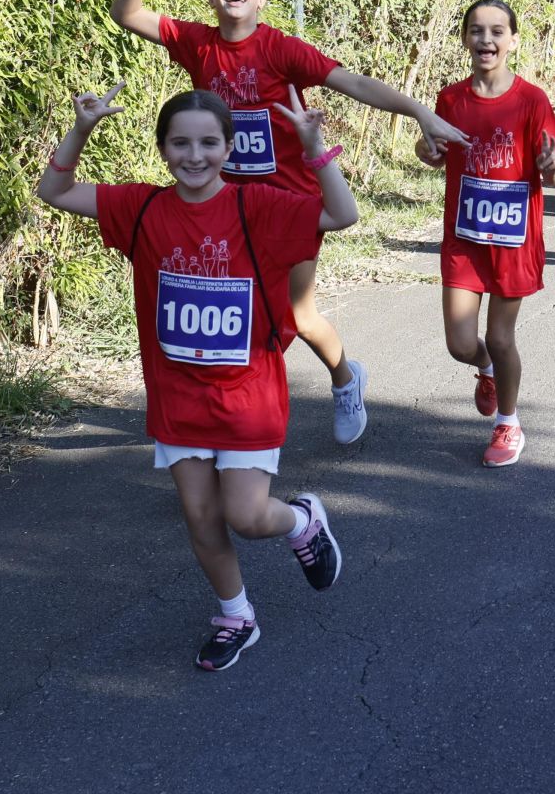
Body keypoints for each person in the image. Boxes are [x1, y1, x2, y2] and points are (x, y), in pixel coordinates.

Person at [113, 0, 472, 445]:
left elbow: (354, 83)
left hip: (289, 202)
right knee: (242, 311)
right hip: (225, 206)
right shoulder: (198, 43)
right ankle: (228, 424)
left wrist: (420, 111)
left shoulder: (281, 49)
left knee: (296, 315)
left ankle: (345, 379)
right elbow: (128, 14)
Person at [37, 83, 354, 672]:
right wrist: (81, 130)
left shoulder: (257, 207)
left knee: (247, 516)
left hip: (247, 394)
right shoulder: (142, 208)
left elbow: (342, 214)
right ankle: (237, 616)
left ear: (230, 148)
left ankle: (303, 520)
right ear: (162, 148)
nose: (194, 155)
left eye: (209, 143)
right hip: (177, 395)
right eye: (180, 143)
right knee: (202, 518)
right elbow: (53, 191)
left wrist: (314, 150)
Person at [416, 0, 555, 468]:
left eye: (497, 31)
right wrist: (426, 150)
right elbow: (434, 153)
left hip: (513, 240)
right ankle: (486, 370)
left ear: (513, 41)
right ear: (465, 39)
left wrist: (551, 167)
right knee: (461, 344)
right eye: (477, 30)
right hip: (465, 237)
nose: (487, 39)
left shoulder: (531, 100)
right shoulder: (450, 100)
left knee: (501, 338)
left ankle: (509, 422)